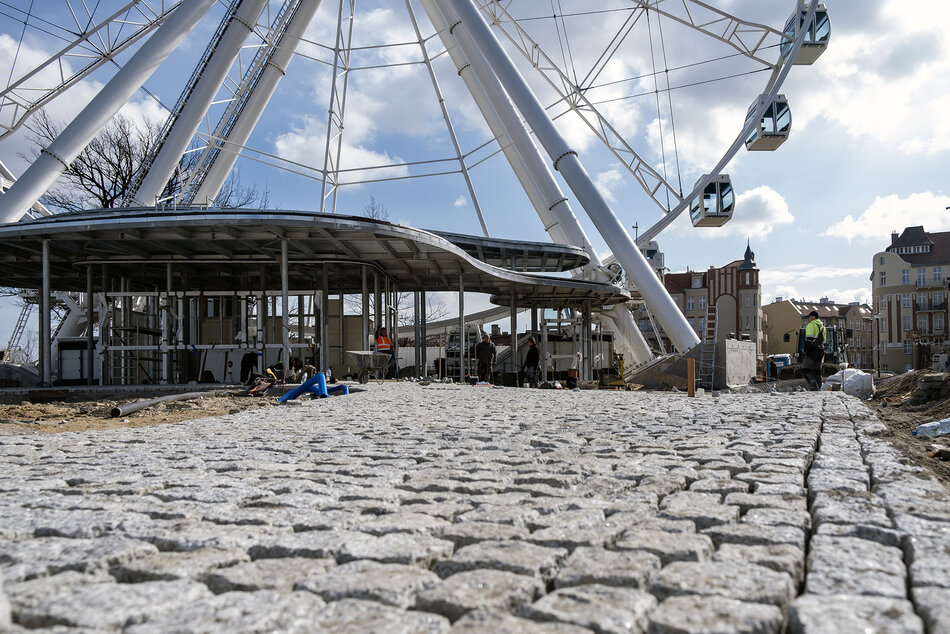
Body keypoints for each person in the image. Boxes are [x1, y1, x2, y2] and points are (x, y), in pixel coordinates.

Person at [802, 310, 826, 390]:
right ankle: (819, 387)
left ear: (813, 317)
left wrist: (806, 350)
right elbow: (823, 340)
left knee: (806, 370)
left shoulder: (811, 325)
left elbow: (809, 339)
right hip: (821, 350)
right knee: (817, 371)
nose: (809, 319)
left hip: (812, 350)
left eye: (809, 317)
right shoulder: (822, 327)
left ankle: (813, 384)